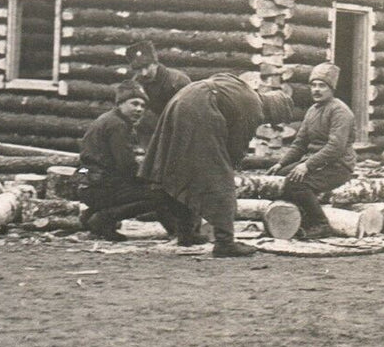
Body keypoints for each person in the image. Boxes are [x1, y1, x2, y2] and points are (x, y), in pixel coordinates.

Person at [140, 72, 295, 257]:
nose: (266, 121)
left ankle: (186, 233)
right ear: (274, 111)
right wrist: (231, 167)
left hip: (181, 100)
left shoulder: (243, 89)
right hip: (200, 108)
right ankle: (225, 242)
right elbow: (235, 148)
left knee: (181, 170)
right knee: (221, 180)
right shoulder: (255, 109)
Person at [266, 63, 356, 240]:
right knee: (280, 176)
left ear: (331, 89)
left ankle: (321, 224)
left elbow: (335, 148)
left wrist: (306, 165)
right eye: (313, 85)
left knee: (297, 184)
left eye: (322, 86)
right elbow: (300, 144)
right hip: (316, 163)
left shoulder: (340, 111)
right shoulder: (312, 111)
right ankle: (292, 218)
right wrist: (281, 164)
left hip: (338, 166)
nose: (316, 89)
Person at [75, 80, 171, 241]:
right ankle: (104, 219)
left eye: (143, 105)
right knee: (158, 194)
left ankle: (89, 216)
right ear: (120, 103)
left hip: (87, 183)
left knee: (137, 188)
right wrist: (150, 178)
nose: (139, 109)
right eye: (134, 103)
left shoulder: (107, 119)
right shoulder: (118, 125)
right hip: (99, 186)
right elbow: (126, 165)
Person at [128, 39, 190, 146]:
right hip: (150, 135)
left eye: (146, 67)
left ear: (155, 63)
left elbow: (188, 112)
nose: (144, 73)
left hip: (177, 132)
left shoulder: (177, 80)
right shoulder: (136, 83)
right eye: (139, 69)